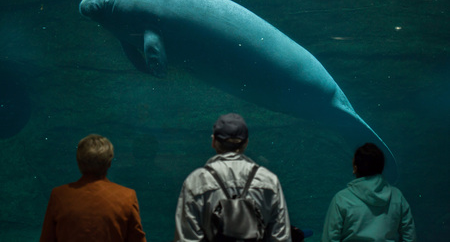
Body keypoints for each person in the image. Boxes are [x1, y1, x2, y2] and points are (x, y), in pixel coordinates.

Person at [174, 113, 292, 241]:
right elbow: (280, 237)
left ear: (213, 141)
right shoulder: (269, 180)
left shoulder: (196, 181)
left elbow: (187, 238)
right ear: (246, 143)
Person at [39, 134, 147, 242]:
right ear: (109, 163)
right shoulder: (127, 196)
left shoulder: (59, 195)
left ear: (79, 161)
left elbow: (47, 239)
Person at [321, 143, 417, 242]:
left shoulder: (341, 199)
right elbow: (409, 237)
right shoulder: (397, 196)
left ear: (355, 168)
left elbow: (329, 239)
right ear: (381, 167)